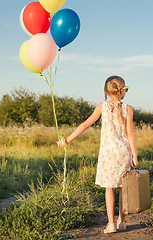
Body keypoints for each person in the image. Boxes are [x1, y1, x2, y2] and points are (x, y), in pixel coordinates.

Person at [57, 75, 138, 234]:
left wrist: (67, 140)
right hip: (123, 153)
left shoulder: (102, 107)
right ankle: (122, 222)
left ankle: (111, 224)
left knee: (110, 188)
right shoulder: (128, 108)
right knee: (123, 189)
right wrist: (135, 155)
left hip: (108, 154)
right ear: (121, 91)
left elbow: (86, 124)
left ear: (107, 92)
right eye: (126, 89)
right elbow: (131, 134)